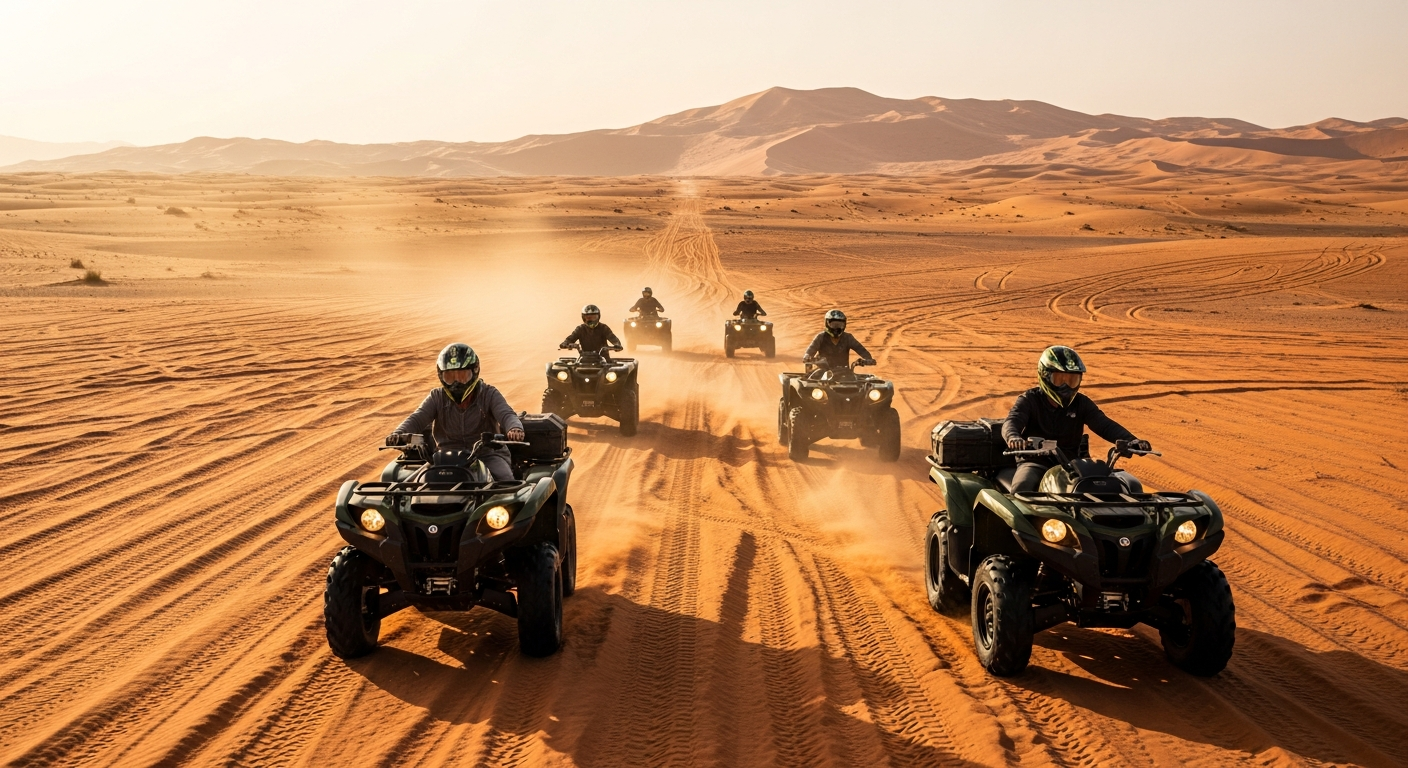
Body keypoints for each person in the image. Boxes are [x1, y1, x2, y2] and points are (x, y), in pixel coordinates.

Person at [1002, 345, 1150, 493]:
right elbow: (1012, 421)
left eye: (1072, 380)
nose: (1066, 386)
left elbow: (1104, 424)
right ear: (1045, 375)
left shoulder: (1081, 403)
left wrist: (1132, 440)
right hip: (1035, 462)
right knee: (1022, 489)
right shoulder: (1029, 400)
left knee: (1125, 488)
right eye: (1060, 379)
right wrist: (1013, 437)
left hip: (1072, 465)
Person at [387, 343, 524, 482]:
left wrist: (515, 428)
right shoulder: (436, 397)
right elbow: (417, 418)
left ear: (474, 372)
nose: (456, 383)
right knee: (411, 487)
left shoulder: (489, 394)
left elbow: (507, 414)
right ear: (441, 376)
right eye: (450, 377)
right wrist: (398, 433)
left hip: (487, 455)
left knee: (505, 480)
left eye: (462, 375)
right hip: (444, 457)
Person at [803, 309, 874, 371]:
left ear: (844, 325)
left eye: (840, 325)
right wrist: (808, 357)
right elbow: (810, 351)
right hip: (822, 374)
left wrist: (868, 359)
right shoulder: (821, 337)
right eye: (833, 325)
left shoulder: (848, 337)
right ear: (827, 324)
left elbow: (861, 349)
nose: (836, 328)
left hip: (844, 372)